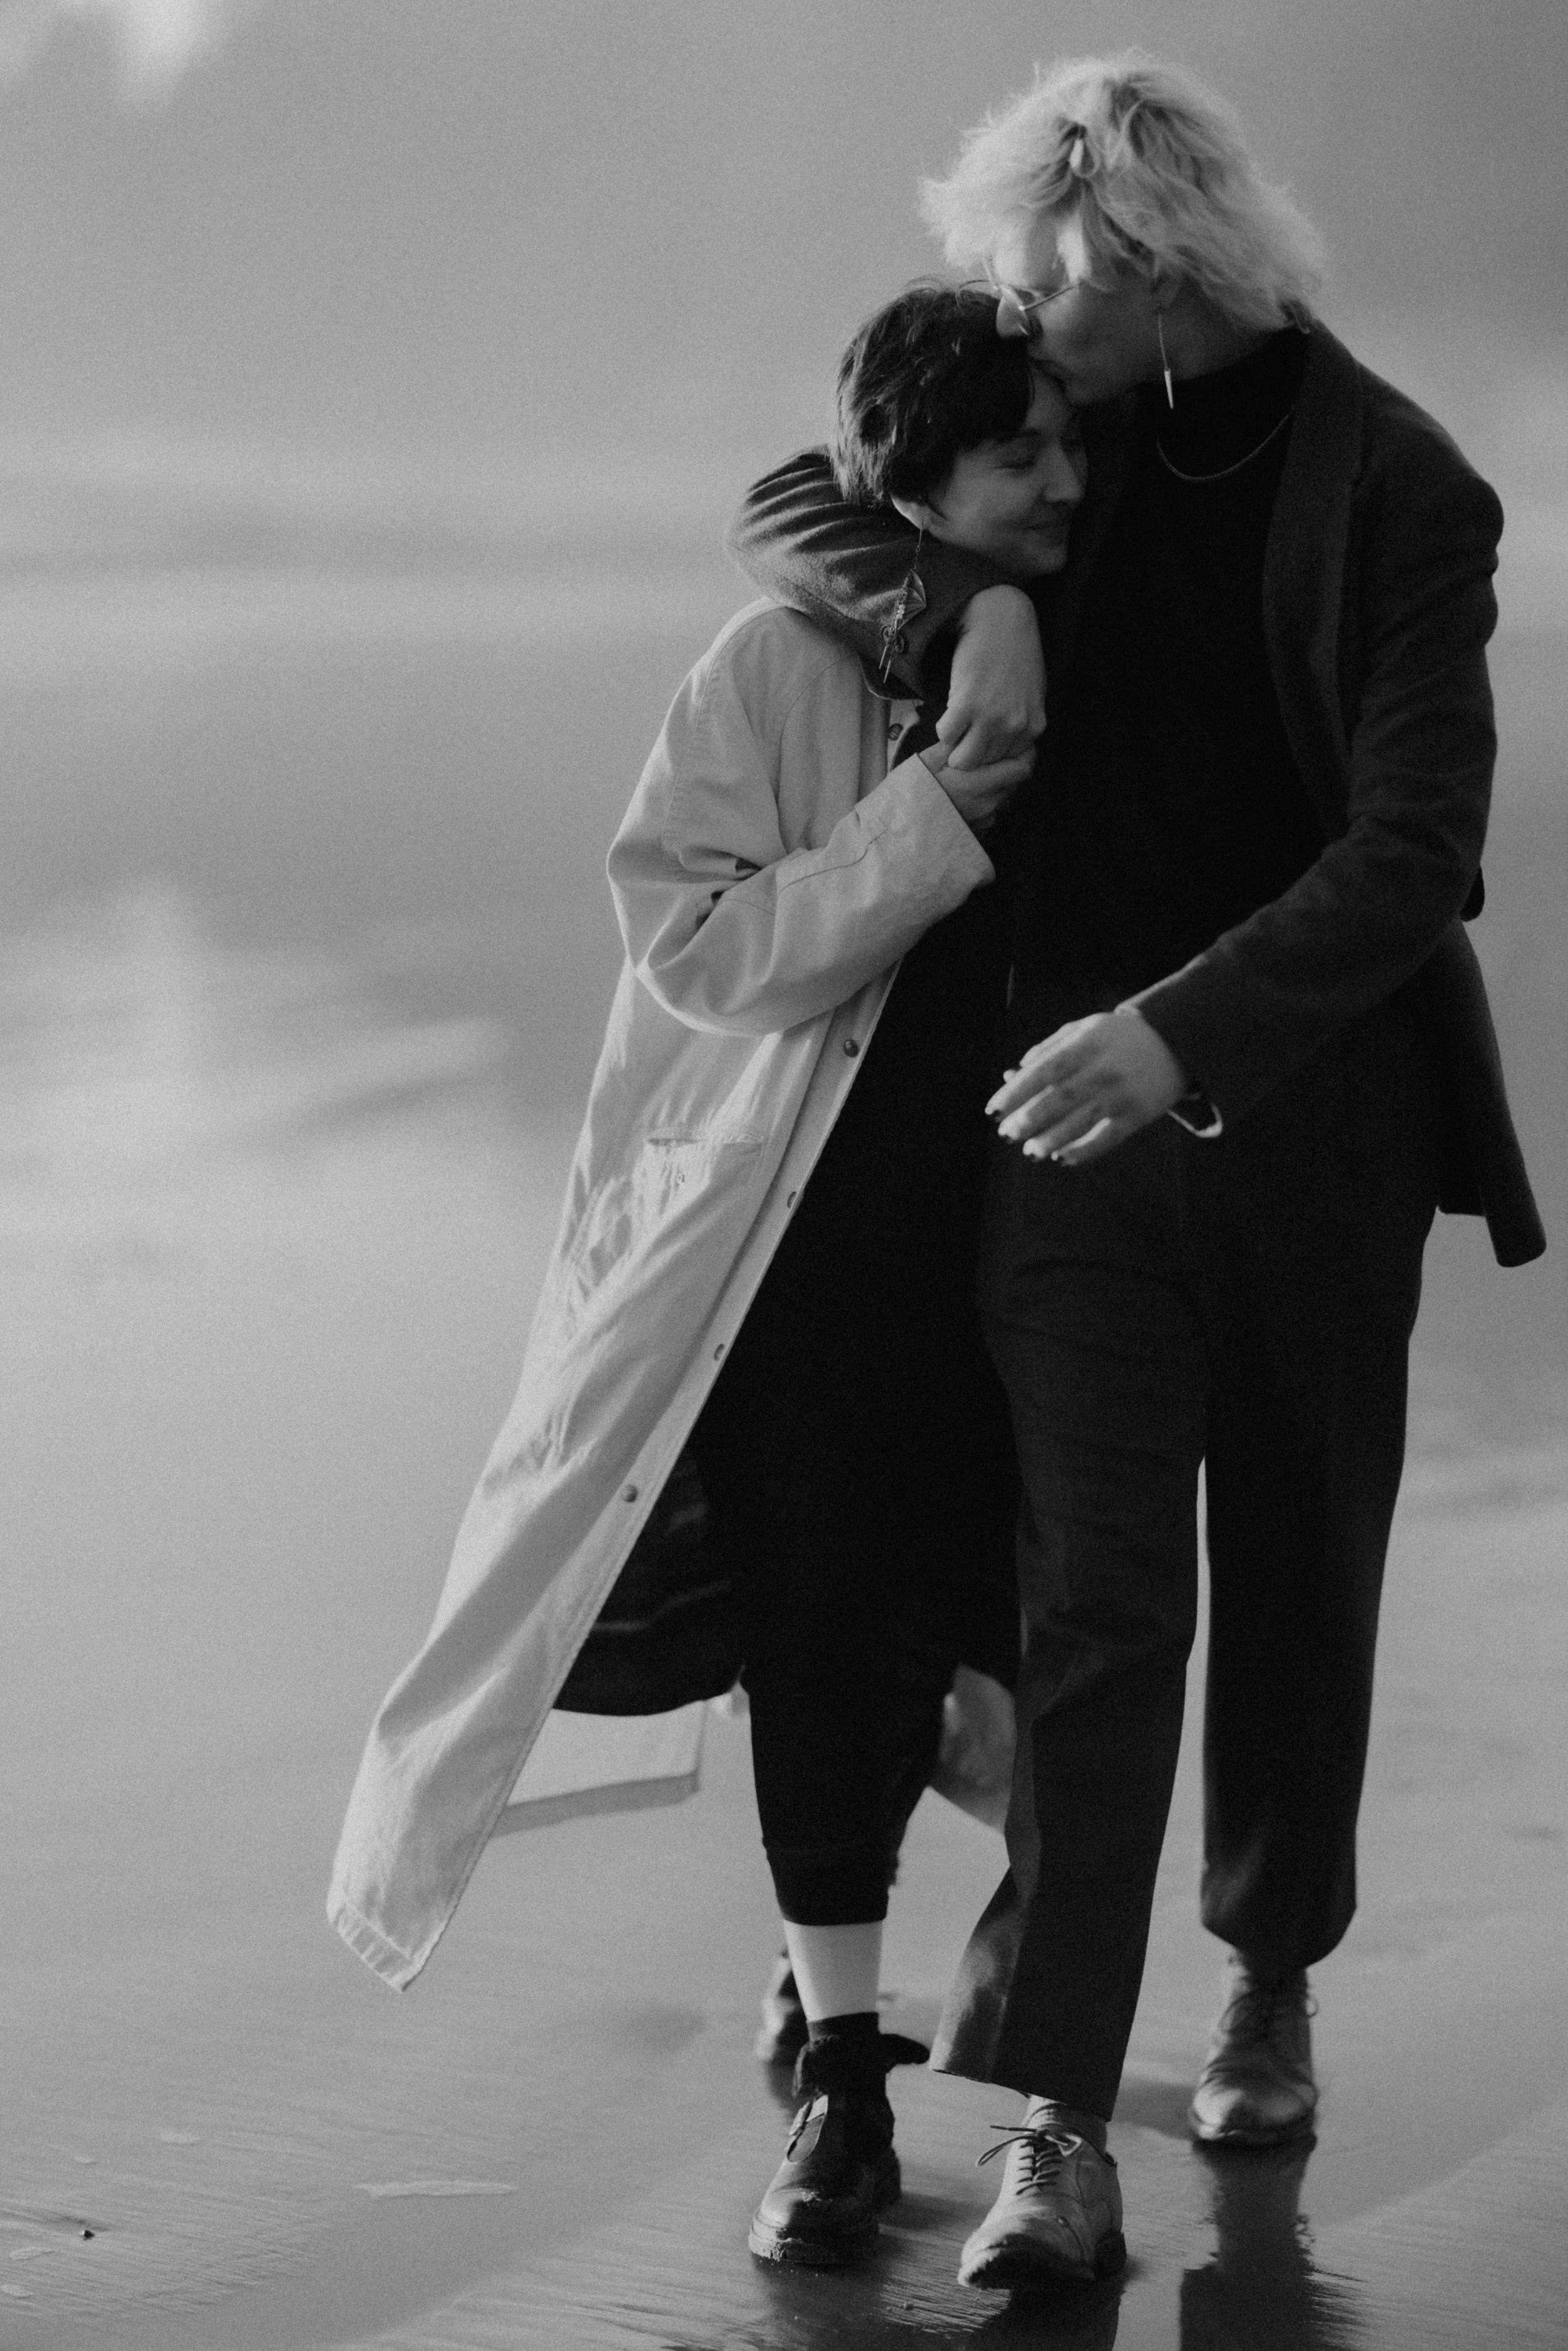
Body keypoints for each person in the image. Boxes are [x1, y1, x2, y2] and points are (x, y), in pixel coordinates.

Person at [728, 50, 1544, 2292]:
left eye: (1037, 275)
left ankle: (1271, 1963)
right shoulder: (1039, 427)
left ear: (1148, 268)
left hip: (1312, 1123)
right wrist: (952, 605)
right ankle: (1059, 2122)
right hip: (1050, 1137)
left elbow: (1418, 852)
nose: (1004, 310)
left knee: (1301, 1563)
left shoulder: (1404, 491)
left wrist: (1175, 1027)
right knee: (1095, 1607)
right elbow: (805, 490)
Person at [328, 286, 1086, 2273]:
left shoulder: (1084, 631)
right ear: (918, 483)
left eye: (1069, 444)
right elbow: (699, 950)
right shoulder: (768, 667)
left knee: (1008, 1642)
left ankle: (1032, 2075)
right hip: (809, 1265)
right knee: (828, 1649)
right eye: (1024, 454)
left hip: (1030, 1249)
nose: (1066, 483)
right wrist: (933, 816)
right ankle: (844, 2070)